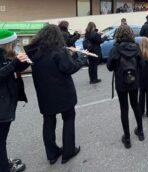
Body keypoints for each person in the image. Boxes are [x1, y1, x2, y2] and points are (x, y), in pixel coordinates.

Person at [25, 25, 87, 165]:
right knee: (69, 118)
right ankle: (68, 152)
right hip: (63, 92)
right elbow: (69, 68)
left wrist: (71, 55)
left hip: (44, 93)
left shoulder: (34, 51)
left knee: (48, 121)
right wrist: (81, 60)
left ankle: (52, 154)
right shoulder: (58, 50)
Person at [107, 25, 144, 149]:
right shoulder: (136, 47)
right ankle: (140, 131)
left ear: (118, 34)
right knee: (135, 105)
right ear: (130, 34)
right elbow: (142, 64)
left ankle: (127, 138)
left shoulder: (115, 49)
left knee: (124, 109)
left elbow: (109, 67)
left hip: (121, 83)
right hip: (134, 82)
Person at [0, 29, 28, 172]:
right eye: (12, 43)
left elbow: (12, 69)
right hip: (2, 104)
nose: (14, 45)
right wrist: (14, 63)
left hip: (5, 102)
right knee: (0, 139)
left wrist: (23, 63)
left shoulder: (5, 55)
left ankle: (3, 161)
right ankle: (5, 168)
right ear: (5, 44)